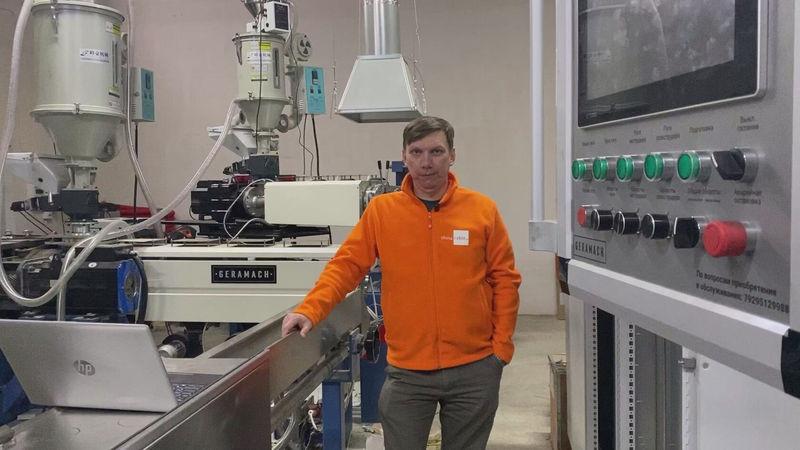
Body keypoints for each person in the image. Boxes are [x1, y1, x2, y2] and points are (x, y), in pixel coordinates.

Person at [282, 116, 521, 450]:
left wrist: (501, 349)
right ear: (404, 156)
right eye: (417, 152)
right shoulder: (382, 211)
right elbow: (347, 265)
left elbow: (505, 280)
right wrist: (310, 309)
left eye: (436, 151)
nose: (426, 162)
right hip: (408, 372)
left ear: (452, 155)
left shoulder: (482, 210)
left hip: (474, 368)